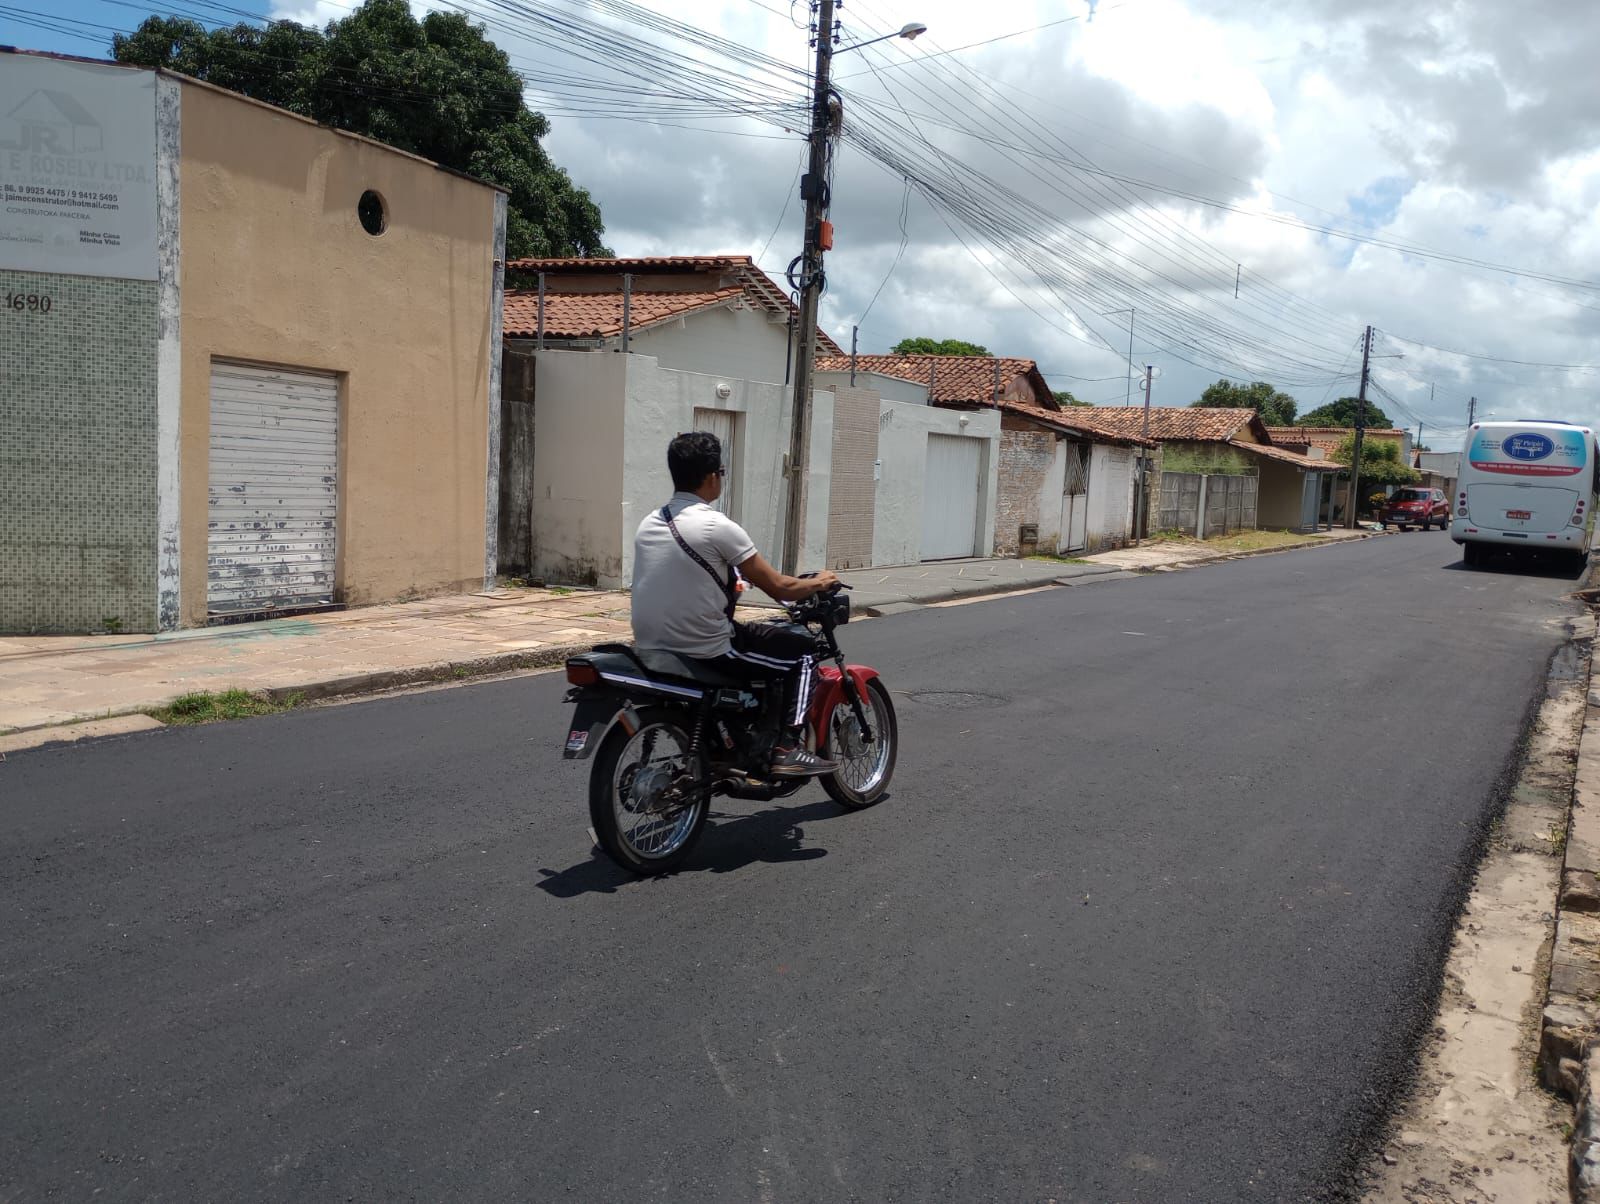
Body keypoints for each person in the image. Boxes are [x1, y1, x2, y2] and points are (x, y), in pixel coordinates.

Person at [632, 431, 841, 777]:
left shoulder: (650, 522)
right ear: (713, 476)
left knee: (758, 641)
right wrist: (821, 581)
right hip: (706, 646)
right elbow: (780, 588)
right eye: (722, 473)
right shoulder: (716, 525)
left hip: (650, 644)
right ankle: (786, 748)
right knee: (803, 653)